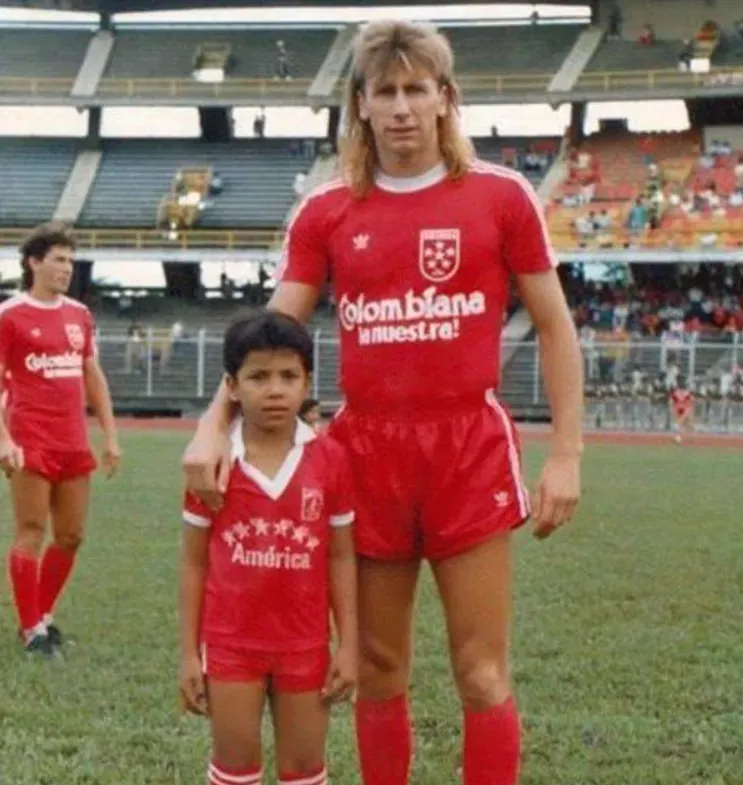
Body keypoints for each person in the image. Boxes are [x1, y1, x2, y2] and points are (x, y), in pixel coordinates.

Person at [183, 20, 583, 785]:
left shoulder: (500, 197)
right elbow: (269, 334)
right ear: (359, 105)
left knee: (481, 671)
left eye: (416, 89)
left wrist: (566, 454)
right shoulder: (327, 211)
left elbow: (557, 326)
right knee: (376, 664)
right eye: (385, 91)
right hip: (364, 452)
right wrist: (213, 426)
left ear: (445, 98)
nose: (401, 107)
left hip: (466, 446)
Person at [179, 312, 357, 785]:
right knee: (235, 767)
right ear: (232, 386)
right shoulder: (211, 464)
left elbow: (341, 556)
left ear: (306, 383)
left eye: (288, 376)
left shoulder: (330, 460)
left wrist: (350, 643)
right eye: (258, 377)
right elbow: (194, 562)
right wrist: (187, 654)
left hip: (305, 645)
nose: (275, 390)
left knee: (303, 769)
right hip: (231, 645)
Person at [0, 223, 121, 658]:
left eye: (71, 260)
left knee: (70, 535)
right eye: (58, 259)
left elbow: (93, 376)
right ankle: (31, 629)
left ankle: (41, 617)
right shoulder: (10, 315)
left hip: (73, 441)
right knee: (31, 530)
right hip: (30, 439)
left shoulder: (79, 316)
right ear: (34, 262)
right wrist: (4, 439)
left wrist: (110, 435)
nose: (67, 268)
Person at [669, 379, 695, 443]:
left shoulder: (675, 392)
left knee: (680, 423)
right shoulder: (687, 392)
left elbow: (670, 401)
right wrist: (690, 409)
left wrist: (671, 409)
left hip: (678, 409)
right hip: (685, 408)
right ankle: (679, 437)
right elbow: (692, 400)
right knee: (683, 423)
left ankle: (679, 437)